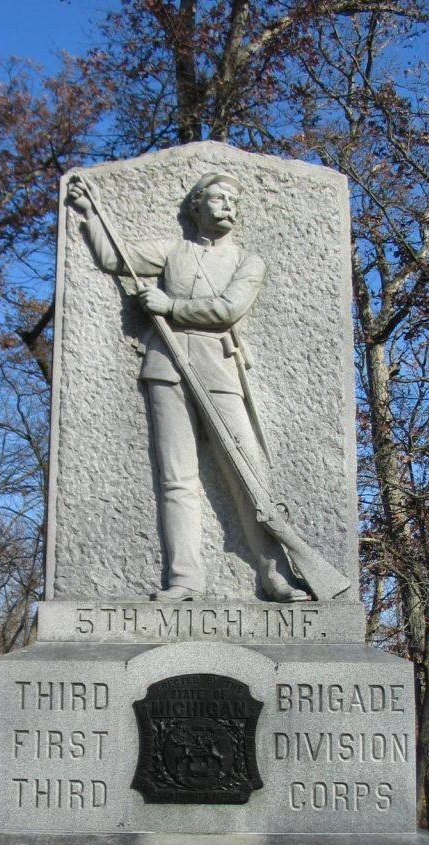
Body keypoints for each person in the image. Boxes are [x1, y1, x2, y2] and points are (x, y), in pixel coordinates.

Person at [69, 171, 312, 603]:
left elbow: (229, 309)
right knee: (176, 479)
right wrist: (89, 214)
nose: (228, 207)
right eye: (218, 199)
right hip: (166, 367)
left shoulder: (247, 261)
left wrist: (171, 306)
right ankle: (185, 580)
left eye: (234, 202)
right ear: (195, 205)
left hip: (218, 370)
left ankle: (275, 575)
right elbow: (114, 258)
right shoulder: (172, 251)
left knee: (248, 475)